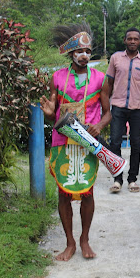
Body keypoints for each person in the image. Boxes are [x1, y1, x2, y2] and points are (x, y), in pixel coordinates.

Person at [40, 22, 111, 261]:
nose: (84, 55)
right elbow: (52, 114)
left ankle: (84, 240)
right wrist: (50, 113)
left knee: (88, 193)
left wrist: (99, 126)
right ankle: (70, 242)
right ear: (71, 53)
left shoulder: (100, 79)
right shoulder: (57, 78)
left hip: (88, 142)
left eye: (88, 52)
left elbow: (109, 111)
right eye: (80, 52)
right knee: (64, 194)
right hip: (63, 142)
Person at [107, 27, 140, 193]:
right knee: (115, 143)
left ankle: (132, 179)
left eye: (135, 39)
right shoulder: (115, 58)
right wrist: (106, 108)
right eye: (129, 39)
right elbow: (109, 84)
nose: (132, 41)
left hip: (138, 108)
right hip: (118, 106)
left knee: (136, 144)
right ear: (125, 40)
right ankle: (117, 179)